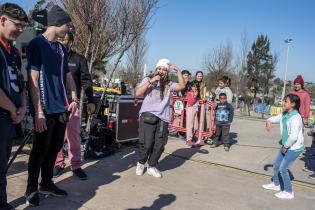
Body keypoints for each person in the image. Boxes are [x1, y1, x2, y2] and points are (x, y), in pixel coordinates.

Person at [25, 5, 77, 206]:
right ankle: (31, 188)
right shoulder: (36, 44)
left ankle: (46, 183)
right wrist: (38, 110)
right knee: (40, 149)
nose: (69, 29)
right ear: (57, 23)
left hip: (61, 108)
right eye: (67, 25)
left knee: (55, 147)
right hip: (44, 109)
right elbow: (33, 78)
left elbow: (67, 76)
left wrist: (73, 96)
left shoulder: (61, 49)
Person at [53, 32, 95, 179]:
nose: (63, 41)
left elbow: (86, 81)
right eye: (60, 38)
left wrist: (91, 100)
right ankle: (58, 163)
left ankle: (75, 165)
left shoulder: (78, 59)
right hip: (55, 104)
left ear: (71, 41)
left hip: (72, 104)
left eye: (66, 39)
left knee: (73, 136)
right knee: (56, 136)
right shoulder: (52, 56)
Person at [135, 58, 185, 178]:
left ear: (167, 72)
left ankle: (151, 166)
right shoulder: (148, 79)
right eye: (160, 69)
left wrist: (178, 70)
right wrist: (152, 81)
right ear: (156, 69)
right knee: (147, 144)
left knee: (159, 145)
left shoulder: (169, 84)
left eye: (164, 69)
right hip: (148, 115)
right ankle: (141, 163)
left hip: (163, 118)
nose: (161, 71)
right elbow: (138, 93)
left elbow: (182, 86)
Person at [0, 3, 28, 210]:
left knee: (1, 169)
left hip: (9, 119)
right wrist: (12, 108)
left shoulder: (14, 52)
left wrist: (23, 107)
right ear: (2, 20)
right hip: (4, 114)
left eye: (23, 27)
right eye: (17, 25)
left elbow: (20, 84)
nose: (20, 30)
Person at [262, 94, 304, 199]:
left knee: (283, 168)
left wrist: (285, 146)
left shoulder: (296, 118)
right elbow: (275, 118)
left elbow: (294, 136)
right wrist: (268, 121)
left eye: (286, 101)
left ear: (293, 104)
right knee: (276, 164)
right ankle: (276, 184)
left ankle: (288, 192)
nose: (283, 103)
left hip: (294, 148)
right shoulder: (285, 114)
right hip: (286, 145)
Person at [186, 80, 200, 145]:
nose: (195, 88)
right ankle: (189, 139)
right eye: (194, 86)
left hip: (195, 109)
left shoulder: (197, 93)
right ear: (191, 87)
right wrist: (194, 95)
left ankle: (194, 137)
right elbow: (191, 102)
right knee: (190, 125)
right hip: (190, 109)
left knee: (196, 125)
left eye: (196, 86)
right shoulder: (190, 93)